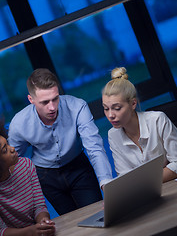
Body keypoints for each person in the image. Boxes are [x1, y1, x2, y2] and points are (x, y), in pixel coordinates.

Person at [8, 68, 113, 215]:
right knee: (72, 224)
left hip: (79, 168)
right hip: (46, 176)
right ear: (31, 100)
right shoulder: (19, 124)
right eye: (44, 102)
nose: (52, 107)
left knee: (98, 215)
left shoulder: (77, 106)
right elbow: (11, 159)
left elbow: (94, 147)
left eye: (55, 98)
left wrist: (107, 184)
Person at [101, 67, 177, 182]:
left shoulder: (157, 119)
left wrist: (140, 181)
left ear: (133, 103)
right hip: (146, 194)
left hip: (174, 187)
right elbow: (125, 179)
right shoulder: (113, 135)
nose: (110, 115)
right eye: (105, 109)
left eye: (117, 108)